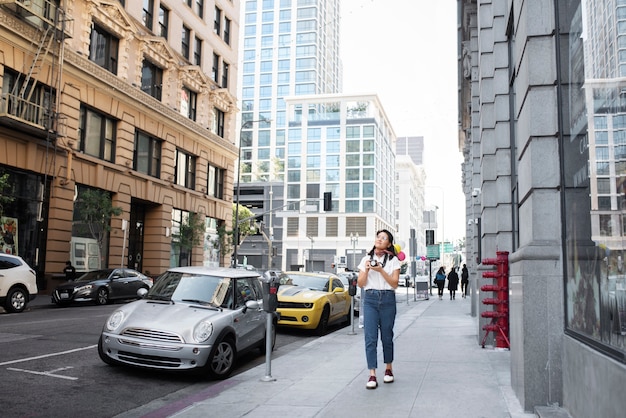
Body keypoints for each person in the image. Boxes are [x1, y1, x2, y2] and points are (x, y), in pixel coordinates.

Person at [357, 229, 401, 389]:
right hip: (370, 299)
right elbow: (361, 284)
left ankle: (388, 369)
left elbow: (395, 283)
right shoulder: (365, 259)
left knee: (387, 336)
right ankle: (372, 374)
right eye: (378, 237)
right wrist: (368, 269)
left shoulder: (393, 260)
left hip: (388, 299)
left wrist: (381, 270)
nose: (380, 239)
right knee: (370, 337)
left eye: (384, 238)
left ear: (389, 243)